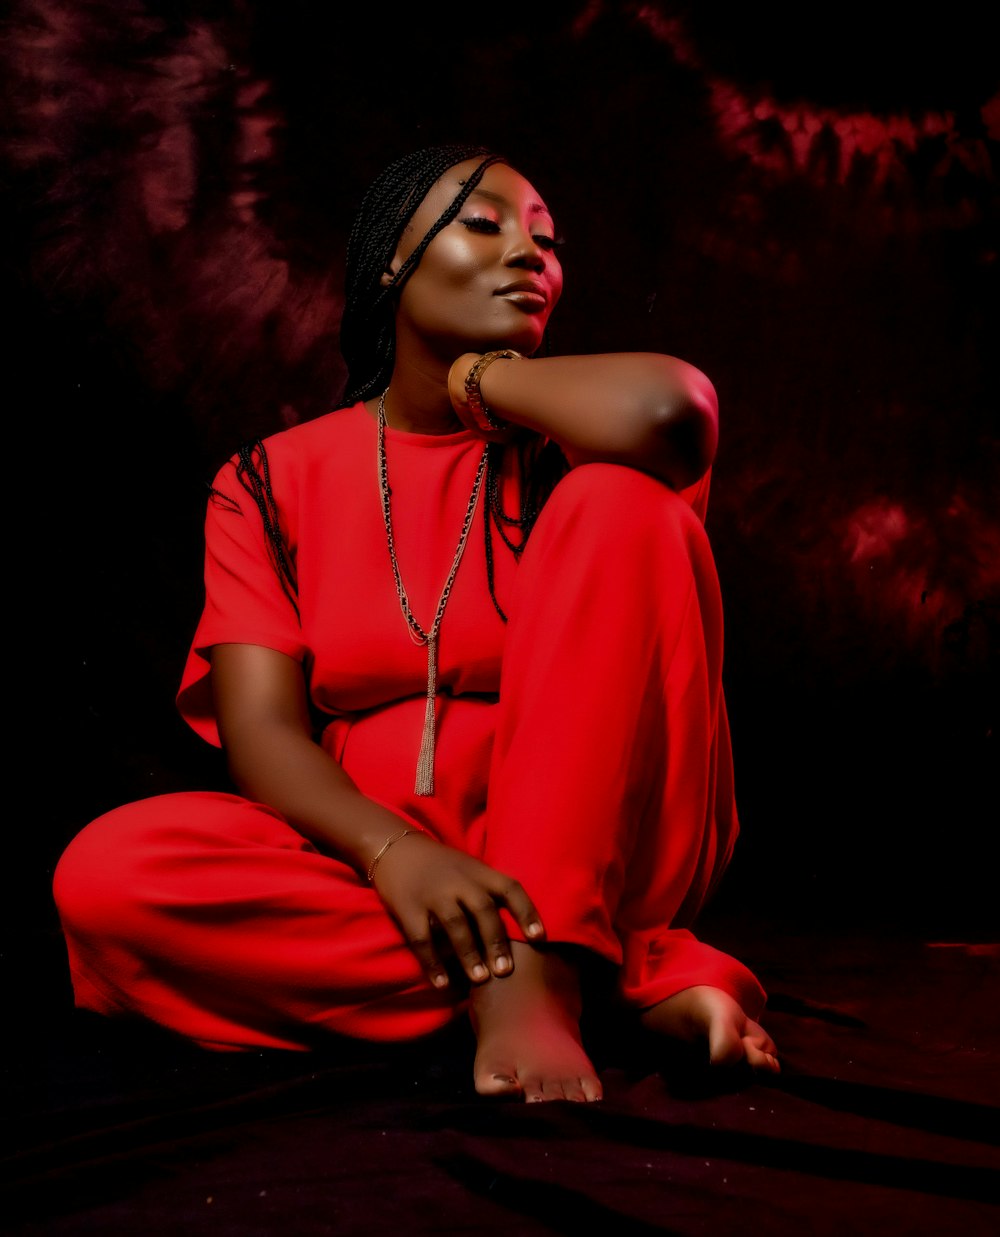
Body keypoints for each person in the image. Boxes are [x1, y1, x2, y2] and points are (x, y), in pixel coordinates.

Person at [53, 143, 779, 1103]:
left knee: (626, 503)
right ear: (392, 262)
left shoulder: (578, 442)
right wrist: (399, 857)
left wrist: (480, 383)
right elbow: (261, 730)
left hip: (600, 848)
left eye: (547, 241)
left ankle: (544, 965)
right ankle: (607, 984)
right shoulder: (268, 481)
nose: (531, 254)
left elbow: (668, 410)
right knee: (109, 874)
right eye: (486, 223)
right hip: (382, 860)